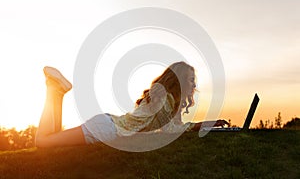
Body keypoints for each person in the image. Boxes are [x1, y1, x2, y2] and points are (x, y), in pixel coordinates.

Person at [35, 61, 228, 148]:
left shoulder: (169, 100)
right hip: (107, 129)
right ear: (178, 79)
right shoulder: (164, 96)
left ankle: (57, 92)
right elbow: (171, 130)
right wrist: (202, 125)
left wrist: (208, 123)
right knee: (42, 141)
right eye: (191, 79)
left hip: (108, 125)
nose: (194, 84)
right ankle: (53, 89)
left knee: (52, 137)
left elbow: (177, 127)